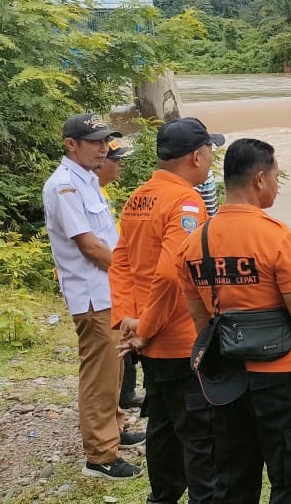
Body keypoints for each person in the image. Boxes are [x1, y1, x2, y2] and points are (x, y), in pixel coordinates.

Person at [180, 138, 291, 502]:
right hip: (280, 376)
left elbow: (199, 318)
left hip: (226, 377)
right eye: (274, 177)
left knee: (233, 476)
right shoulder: (277, 238)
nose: (274, 185)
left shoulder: (196, 242)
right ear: (259, 179)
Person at [110, 117, 224, 503]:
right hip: (179, 338)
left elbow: (120, 262)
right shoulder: (186, 201)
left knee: (161, 425)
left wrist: (129, 318)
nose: (211, 159)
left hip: (148, 336)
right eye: (210, 151)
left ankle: (162, 497)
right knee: (198, 432)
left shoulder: (137, 196)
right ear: (196, 155)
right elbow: (174, 273)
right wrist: (145, 327)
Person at [42, 113, 142, 480]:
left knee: (115, 368)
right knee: (100, 374)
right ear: (71, 144)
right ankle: (100, 456)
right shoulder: (64, 186)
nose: (103, 147)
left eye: (105, 140)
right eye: (95, 141)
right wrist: (130, 277)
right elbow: (89, 246)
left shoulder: (88, 181)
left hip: (107, 291)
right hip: (92, 295)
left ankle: (114, 429)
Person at [94, 138, 144, 410]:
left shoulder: (102, 193)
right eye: (117, 159)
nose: (121, 164)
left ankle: (125, 397)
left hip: (114, 279)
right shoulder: (88, 192)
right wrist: (125, 272)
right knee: (117, 343)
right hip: (104, 283)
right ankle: (118, 404)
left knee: (124, 340)